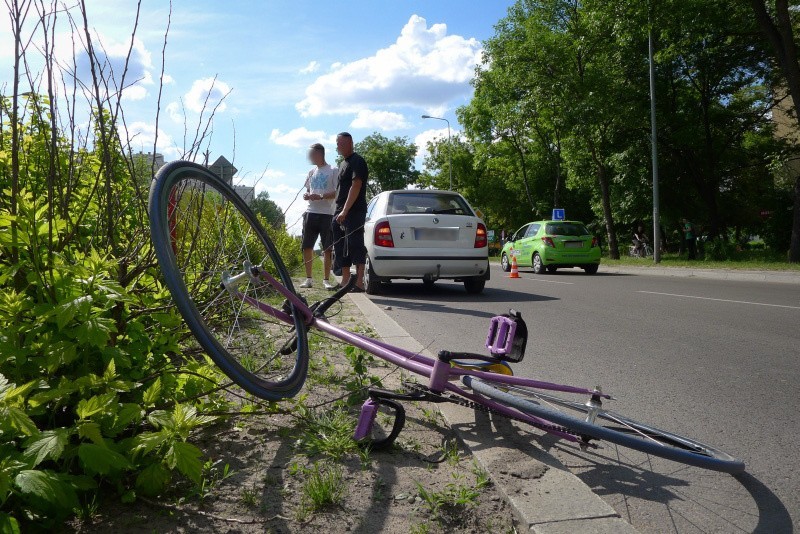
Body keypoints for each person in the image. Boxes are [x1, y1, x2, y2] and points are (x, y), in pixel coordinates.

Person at [332, 132, 369, 292]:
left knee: (355, 245)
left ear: (350, 143)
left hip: (354, 211)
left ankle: (359, 282)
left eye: (341, 144)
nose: (338, 146)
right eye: (337, 143)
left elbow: (356, 185)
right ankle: (345, 281)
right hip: (339, 210)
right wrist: (339, 210)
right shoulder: (342, 163)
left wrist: (346, 210)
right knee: (341, 246)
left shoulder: (357, 161)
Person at [299, 143, 338, 289]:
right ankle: (308, 279)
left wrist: (321, 196)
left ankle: (326, 280)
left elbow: (337, 192)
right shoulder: (311, 172)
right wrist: (307, 195)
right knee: (307, 246)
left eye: (312, 154)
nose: (309, 157)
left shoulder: (333, 170)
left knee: (327, 248)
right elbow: (308, 189)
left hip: (327, 213)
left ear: (320, 154)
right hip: (310, 212)